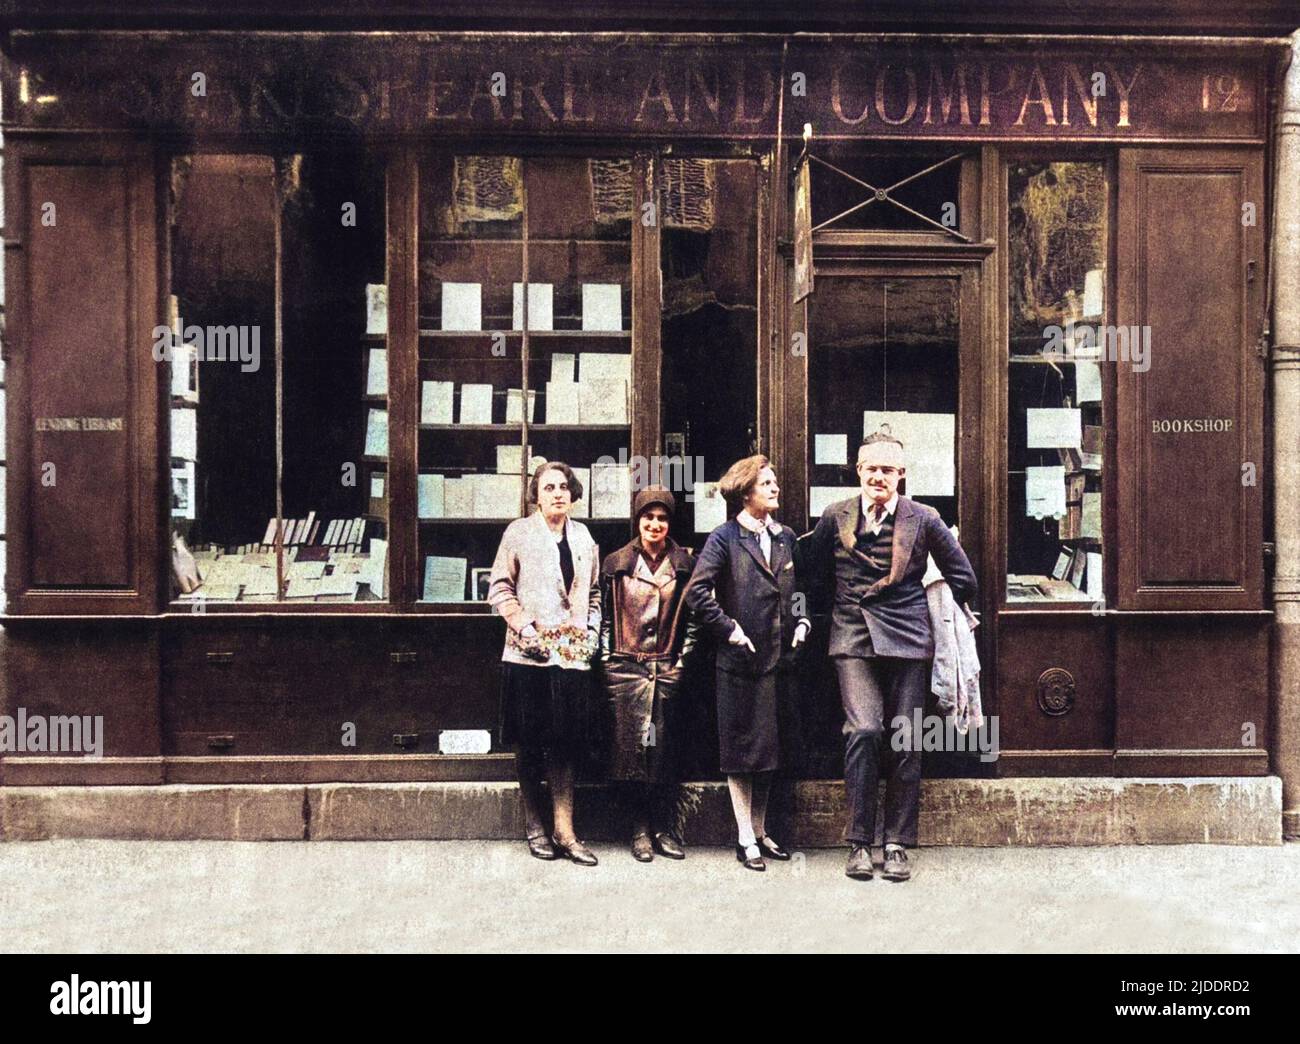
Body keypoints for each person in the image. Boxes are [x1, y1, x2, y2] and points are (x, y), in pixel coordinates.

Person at [803, 432, 977, 882]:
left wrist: (943, 617)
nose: (878, 477)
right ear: (858, 471)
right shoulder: (835, 515)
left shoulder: (924, 518)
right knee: (864, 730)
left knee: (906, 738)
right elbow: (811, 575)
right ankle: (860, 842)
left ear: (901, 474)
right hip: (853, 636)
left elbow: (963, 577)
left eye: (888, 469)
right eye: (871, 468)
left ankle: (897, 842)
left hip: (908, 638)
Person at [684, 455, 809, 871]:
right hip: (741, 663)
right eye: (766, 483)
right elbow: (697, 593)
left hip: (780, 663)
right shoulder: (724, 538)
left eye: (774, 482)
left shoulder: (785, 536)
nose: (775, 488)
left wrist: (803, 619)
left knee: (771, 750)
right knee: (742, 752)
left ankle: (760, 830)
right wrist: (730, 629)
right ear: (745, 493)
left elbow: (799, 589)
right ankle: (743, 837)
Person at [487, 461, 601, 866]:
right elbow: (499, 588)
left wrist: (591, 631)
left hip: (570, 658)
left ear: (573, 494)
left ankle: (565, 831)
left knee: (565, 744)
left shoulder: (584, 537)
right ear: (535, 495)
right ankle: (535, 826)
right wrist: (524, 627)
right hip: (528, 656)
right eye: (549, 487)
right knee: (530, 743)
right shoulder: (519, 533)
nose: (557, 494)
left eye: (564, 487)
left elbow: (594, 593)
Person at [599, 486, 698, 862]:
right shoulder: (616, 563)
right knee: (631, 754)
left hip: (666, 669)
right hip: (627, 670)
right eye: (648, 517)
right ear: (637, 520)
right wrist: (608, 660)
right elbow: (603, 617)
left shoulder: (685, 565)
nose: (655, 525)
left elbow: (695, 620)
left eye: (662, 519)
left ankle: (662, 827)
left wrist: (682, 661)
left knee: (662, 752)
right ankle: (638, 829)